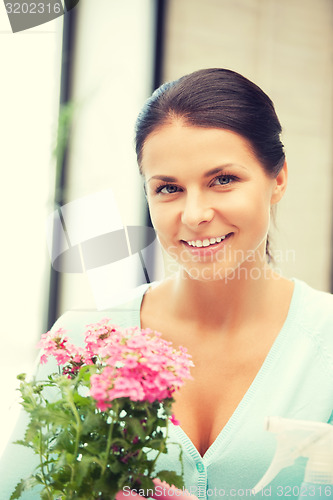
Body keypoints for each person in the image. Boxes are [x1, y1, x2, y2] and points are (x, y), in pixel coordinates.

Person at [1, 68, 333, 499]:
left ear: (279, 179)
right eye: (169, 188)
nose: (194, 214)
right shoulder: (81, 344)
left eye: (223, 180)